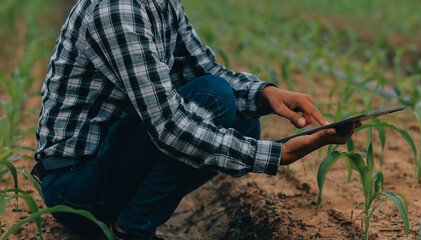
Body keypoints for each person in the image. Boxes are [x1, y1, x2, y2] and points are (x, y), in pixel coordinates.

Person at [32, 0, 359, 239]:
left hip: (109, 165)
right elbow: (171, 126)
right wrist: (278, 155)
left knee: (242, 119)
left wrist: (265, 95)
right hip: (75, 186)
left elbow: (203, 70)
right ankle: (131, 229)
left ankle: (131, 218)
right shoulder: (116, 11)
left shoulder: (161, 4)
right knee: (213, 97)